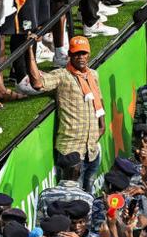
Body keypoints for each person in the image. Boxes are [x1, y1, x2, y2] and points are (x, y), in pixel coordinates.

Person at [26, 36, 104, 192]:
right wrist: (29, 51)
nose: (80, 57)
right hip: (71, 152)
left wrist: (102, 125)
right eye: (76, 54)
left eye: (83, 53)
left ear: (88, 54)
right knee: (71, 198)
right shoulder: (62, 75)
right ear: (69, 54)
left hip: (92, 150)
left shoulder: (93, 75)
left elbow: (99, 100)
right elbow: (37, 83)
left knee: (90, 195)